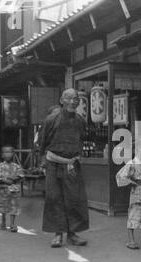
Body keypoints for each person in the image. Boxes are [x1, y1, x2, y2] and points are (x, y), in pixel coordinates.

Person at [39, 88, 89, 248]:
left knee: (74, 199)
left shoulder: (80, 120)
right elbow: (42, 143)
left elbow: (82, 140)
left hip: (72, 165)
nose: (73, 102)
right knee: (54, 198)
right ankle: (58, 234)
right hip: (53, 164)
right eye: (69, 98)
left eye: (76, 99)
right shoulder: (51, 119)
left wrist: (76, 158)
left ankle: (73, 234)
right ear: (62, 100)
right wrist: (43, 163)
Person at [116, 144, 141, 250]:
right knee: (133, 214)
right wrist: (132, 182)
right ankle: (131, 240)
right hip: (137, 193)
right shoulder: (132, 163)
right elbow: (120, 176)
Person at [0, 145, 24, 232]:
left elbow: (21, 175)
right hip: (4, 190)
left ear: (13, 154)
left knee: (14, 207)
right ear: (2, 155)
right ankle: (3, 221)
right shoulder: (0, 166)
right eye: (6, 152)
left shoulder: (16, 166)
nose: (8, 154)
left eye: (10, 152)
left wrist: (14, 179)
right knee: (3, 207)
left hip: (14, 190)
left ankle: (12, 224)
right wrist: (7, 181)